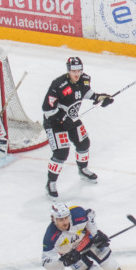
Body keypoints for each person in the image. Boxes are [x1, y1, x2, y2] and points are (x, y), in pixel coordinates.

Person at [40, 55, 115, 197]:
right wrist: (62, 118)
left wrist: (100, 98)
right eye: (73, 71)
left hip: (71, 118)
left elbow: (85, 92)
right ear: (68, 70)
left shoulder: (84, 79)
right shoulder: (58, 85)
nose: (76, 74)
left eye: (79, 70)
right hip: (54, 122)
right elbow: (47, 109)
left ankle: (83, 170)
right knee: (61, 153)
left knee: (83, 143)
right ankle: (51, 182)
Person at [40, 201, 136, 270]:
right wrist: (64, 262)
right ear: (53, 219)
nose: (65, 222)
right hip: (72, 256)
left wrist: (95, 234)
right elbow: (46, 262)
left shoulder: (77, 214)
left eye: (66, 217)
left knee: (110, 265)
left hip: (88, 242)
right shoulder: (50, 236)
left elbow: (90, 214)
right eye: (61, 219)